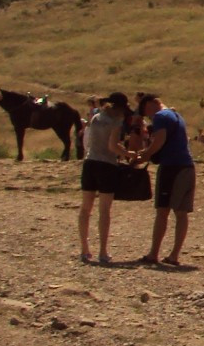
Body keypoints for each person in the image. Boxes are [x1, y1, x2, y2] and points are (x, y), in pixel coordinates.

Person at [137, 93, 195, 267]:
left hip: (171, 166)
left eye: (145, 110)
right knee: (181, 212)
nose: (148, 115)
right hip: (187, 166)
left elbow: (159, 139)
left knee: (163, 209)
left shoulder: (161, 116)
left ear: (151, 104)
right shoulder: (176, 116)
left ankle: (154, 253)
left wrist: (145, 155)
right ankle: (174, 255)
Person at [78, 93, 133, 264]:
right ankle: (103, 250)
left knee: (86, 208)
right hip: (107, 165)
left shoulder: (96, 117)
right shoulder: (116, 122)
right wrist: (127, 153)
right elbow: (112, 145)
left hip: (90, 162)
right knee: (104, 210)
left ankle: (84, 249)